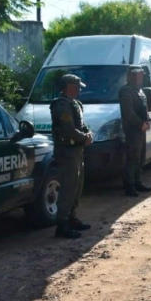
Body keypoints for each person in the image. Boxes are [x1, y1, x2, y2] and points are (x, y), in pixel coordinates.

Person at [50, 74, 93, 239]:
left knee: (77, 186)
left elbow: (81, 125)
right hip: (67, 152)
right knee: (68, 188)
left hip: (77, 151)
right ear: (68, 87)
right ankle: (62, 224)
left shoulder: (75, 104)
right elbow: (69, 129)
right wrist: (85, 138)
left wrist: (88, 133)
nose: (79, 90)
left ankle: (72, 218)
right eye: (76, 86)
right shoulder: (61, 105)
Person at [118, 65, 151, 197]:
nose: (141, 77)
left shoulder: (139, 91)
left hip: (141, 129)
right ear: (131, 76)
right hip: (132, 130)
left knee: (140, 157)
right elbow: (128, 112)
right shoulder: (126, 91)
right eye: (138, 74)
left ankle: (138, 181)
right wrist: (140, 124)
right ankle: (129, 185)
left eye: (142, 74)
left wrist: (147, 120)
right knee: (132, 158)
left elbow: (144, 108)